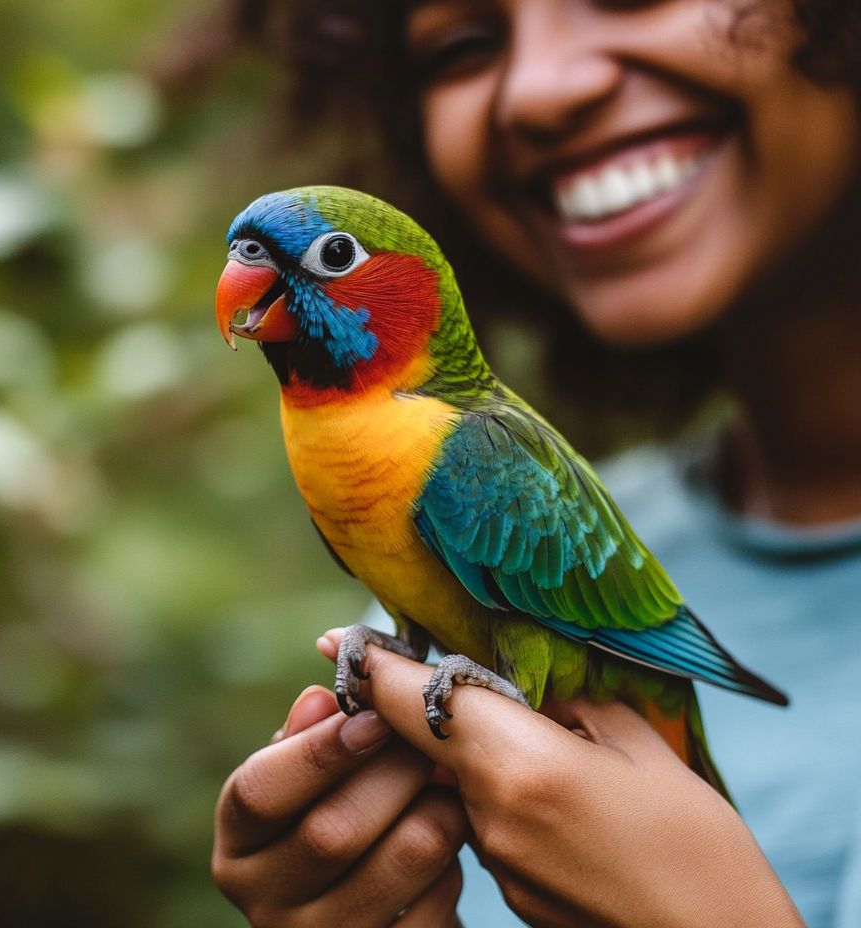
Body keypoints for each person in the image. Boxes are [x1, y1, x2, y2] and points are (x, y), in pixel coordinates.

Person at [211, 0, 861, 925]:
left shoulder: (469, 450)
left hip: (612, 665)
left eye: (332, 258)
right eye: (468, 47)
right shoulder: (327, 447)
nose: (543, 89)